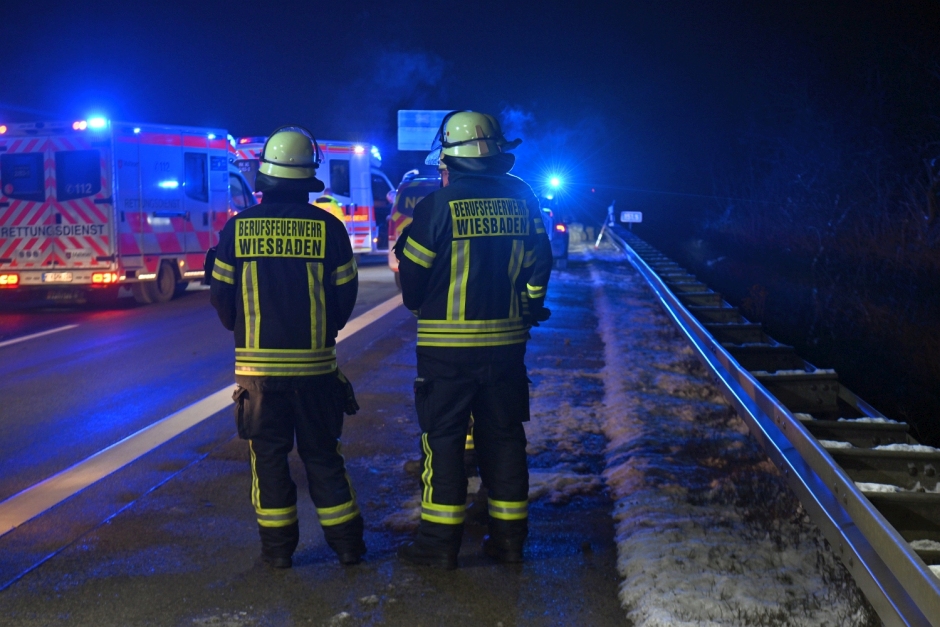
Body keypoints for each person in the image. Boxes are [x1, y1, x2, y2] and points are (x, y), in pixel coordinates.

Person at [395, 111, 553, 569]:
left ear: (450, 157)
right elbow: (539, 267)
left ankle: (438, 546)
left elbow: (413, 290)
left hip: (446, 355)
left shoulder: (438, 206)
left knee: (443, 443)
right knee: (504, 440)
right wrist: (525, 307)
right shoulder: (523, 197)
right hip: (506, 349)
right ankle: (508, 542)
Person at [209, 125, 365, 570]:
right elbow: (344, 298)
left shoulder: (237, 230)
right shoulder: (330, 230)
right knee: (323, 457)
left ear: (265, 180)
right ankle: (349, 547)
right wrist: (324, 332)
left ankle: (278, 553)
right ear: (307, 181)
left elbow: (221, 299)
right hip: (317, 372)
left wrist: (243, 329)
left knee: (269, 461)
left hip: (259, 378)